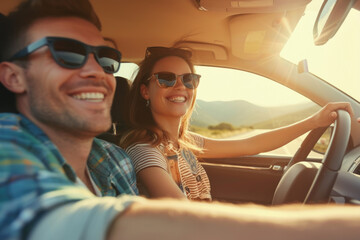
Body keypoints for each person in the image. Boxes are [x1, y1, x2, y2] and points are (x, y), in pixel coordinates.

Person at [1, 1, 359, 240]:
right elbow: (174, 220)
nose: (96, 72)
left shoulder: (115, 158)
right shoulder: (140, 151)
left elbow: (249, 144)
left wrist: (314, 121)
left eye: (107, 60)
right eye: (67, 53)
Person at [119, 46, 355, 201]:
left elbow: (252, 145)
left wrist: (315, 121)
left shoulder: (183, 143)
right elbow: (181, 213)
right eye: (166, 79)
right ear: (145, 91)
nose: (180, 86)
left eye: (189, 79)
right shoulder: (145, 149)